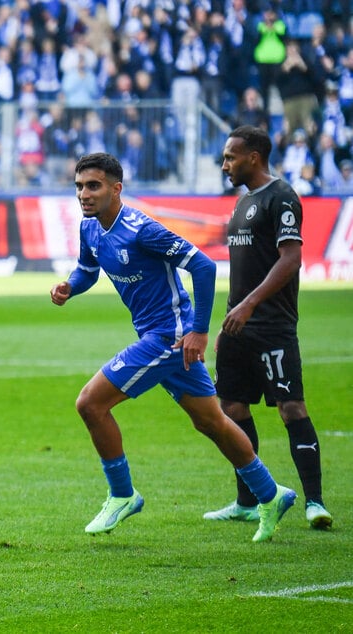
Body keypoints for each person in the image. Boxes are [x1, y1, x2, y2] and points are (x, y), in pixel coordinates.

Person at [50, 152, 295, 543]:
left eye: (93, 186)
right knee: (210, 421)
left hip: (168, 336)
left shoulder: (141, 229)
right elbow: (87, 270)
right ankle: (271, 493)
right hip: (160, 336)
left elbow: (203, 266)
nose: (84, 194)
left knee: (90, 404)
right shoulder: (90, 228)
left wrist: (198, 331)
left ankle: (122, 494)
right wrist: (69, 287)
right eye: (79, 186)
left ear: (117, 188)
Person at [204, 125, 333, 529]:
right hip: (237, 325)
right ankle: (248, 500)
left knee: (291, 406)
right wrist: (230, 319)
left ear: (253, 157)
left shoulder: (282, 197)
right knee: (232, 407)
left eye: (230, 157)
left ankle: (315, 502)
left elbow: (291, 259)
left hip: (272, 325)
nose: (225, 164)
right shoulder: (242, 203)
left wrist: (249, 304)